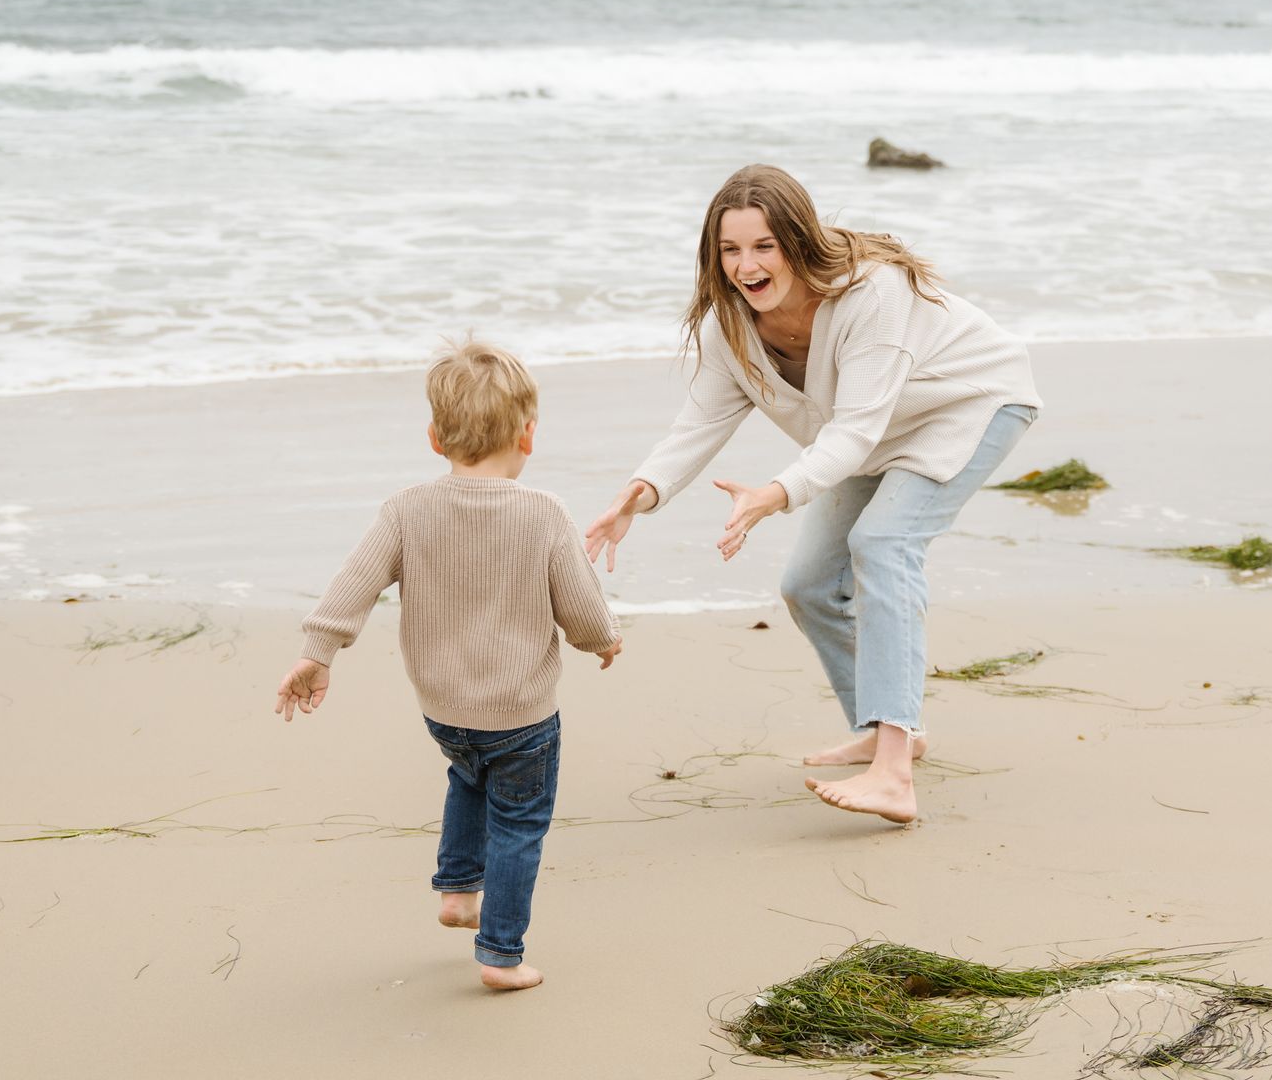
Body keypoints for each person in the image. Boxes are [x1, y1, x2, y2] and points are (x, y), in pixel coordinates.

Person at [584, 165, 1039, 826]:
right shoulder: (730, 325)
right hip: (873, 431)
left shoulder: (871, 294)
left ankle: (893, 773)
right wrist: (640, 493)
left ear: (797, 241)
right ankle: (890, 729)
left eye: (763, 246)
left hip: (968, 403)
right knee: (809, 584)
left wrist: (775, 494)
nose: (745, 266)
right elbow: (699, 425)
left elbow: (853, 431)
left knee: (883, 544)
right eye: (729, 249)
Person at [274, 339, 622, 990]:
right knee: (519, 824)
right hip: (522, 716)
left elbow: (353, 584)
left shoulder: (406, 510)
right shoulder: (543, 513)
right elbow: (580, 608)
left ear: (435, 438)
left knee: (467, 777)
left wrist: (317, 653)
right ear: (528, 435)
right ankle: (501, 955)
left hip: (443, 710)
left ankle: (459, 891)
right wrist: (603, 639)